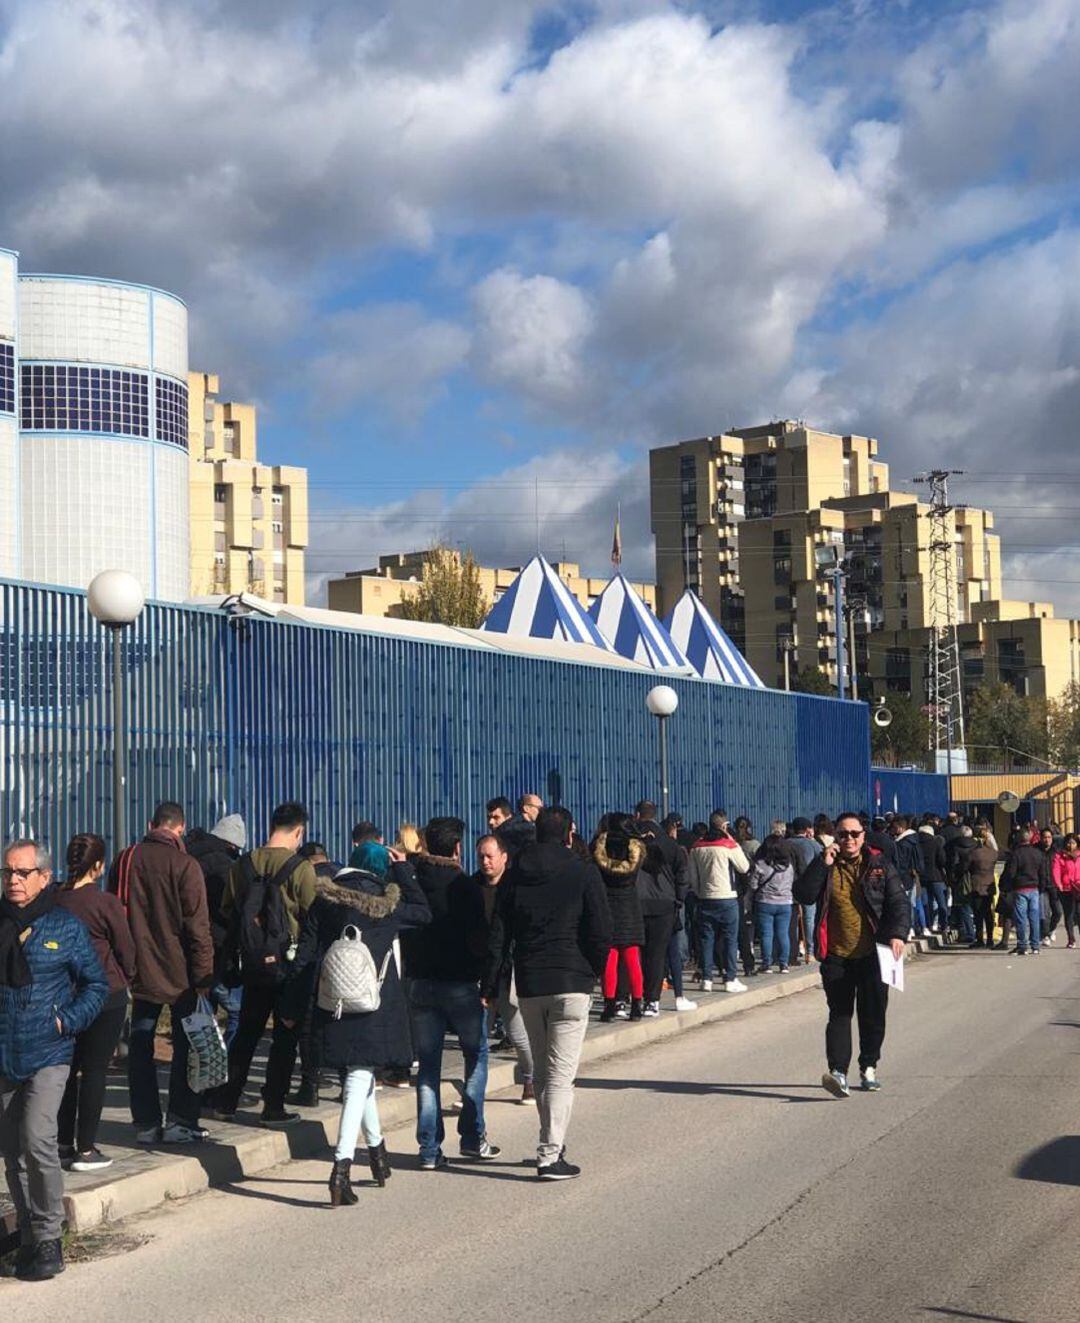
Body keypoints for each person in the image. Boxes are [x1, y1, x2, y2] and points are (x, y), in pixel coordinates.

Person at [284, 843, 431, 1205]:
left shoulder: (324, 901)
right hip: (374, 1005)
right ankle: (341, 1169)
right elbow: (425, 913)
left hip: (333, 1003)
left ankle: (378, 1154)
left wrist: (290, 1003)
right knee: (359, 1077)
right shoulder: (387, 904)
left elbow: (305, 955)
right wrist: (404, 871)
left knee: (358, 1074)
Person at [484, 805, 612, 1181]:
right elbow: (600, 929)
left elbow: (499, 932)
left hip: (530, 981)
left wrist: (491, 983)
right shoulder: (583, 871)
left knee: (541, 1071)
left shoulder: (515, 875)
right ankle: (550, 1154)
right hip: (572, 980)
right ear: (570, 833)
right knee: (561, 1075)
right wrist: (594, 971)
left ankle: (550, 1139)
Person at [0, 839, 107, 1282]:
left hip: (49, 1050)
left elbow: (96, 985)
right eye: (8, 872)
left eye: (23, 873)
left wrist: (67, 1021)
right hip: (5, 1053)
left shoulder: (63, 926)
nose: (13, 880)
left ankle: (49, 1237)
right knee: (12, 1152)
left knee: (38, 1139)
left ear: (44, 877)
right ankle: (27, 1236)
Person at [108, 801, 214, 1144]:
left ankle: (146, 1123)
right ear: (180, 829)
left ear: (151, 823)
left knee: (140, 1044)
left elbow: (114, 914)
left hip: (138, 970)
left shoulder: (125, 860)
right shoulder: (187, 865)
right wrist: (204, 976)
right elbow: (198, 928)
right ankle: (180, 1120)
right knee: (187, 1045)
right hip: (181, 974)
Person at [206, 802, 319, 1125]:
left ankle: (226, 1100)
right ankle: (273, 1105)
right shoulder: (301, 868)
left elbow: (228, 909)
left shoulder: (242, 864)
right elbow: (312, 914)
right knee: (285, 1035)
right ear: (299, 831)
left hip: (252, 963)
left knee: (247, 1033)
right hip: (289, 965)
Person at [400, 816, 498, 1169]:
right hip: (459, 983)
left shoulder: (413, 879)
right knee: (477, 1054)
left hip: (420, 982)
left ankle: (429, 1150)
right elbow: (480, 940)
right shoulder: (465, 887)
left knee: (427, 1068)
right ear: (457, 848)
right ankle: (472, 1135)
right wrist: (485, 981)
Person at [794, 812, 909, 1098]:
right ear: (835, 835)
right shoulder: (825, 864)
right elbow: (804, 894)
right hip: (837, 954)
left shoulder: (878, 864)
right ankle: (838, 1073)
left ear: (863, 836)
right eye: (843, 834)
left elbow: (898, 902)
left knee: (872, 1015)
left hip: (874, 953)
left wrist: (897, 933)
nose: (849, 840)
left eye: (854, 834)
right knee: (840, 1014)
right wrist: (822, 864)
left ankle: (868, 1065)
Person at [55, 834, 136, 1172]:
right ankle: (86, 1149)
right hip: (105, 995)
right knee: (95, 1071)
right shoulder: (105, 903)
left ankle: (61, 1143)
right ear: (100, 865)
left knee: (66, 1071)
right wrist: (128, 976)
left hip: (64, 996)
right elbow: (126, 950)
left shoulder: (54, 899)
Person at [474, 835, 535, 1103]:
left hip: (508, 968)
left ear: (504, 857)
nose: (485, 862)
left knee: (517, 1031)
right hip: (479, 967)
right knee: (476, 1035)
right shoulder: (472, 887)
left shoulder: (516, 887)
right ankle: (473, 1089)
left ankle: (530, 1079)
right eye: (481, 857)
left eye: (490, 856)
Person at [185, 814, 247, 1048]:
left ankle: (203, 1064)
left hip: (192, 945)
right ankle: (226, 1064)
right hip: (219, 948)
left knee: (202, 1014)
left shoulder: (189, 856)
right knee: (237, 1014)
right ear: (232, 844)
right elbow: (230, 909)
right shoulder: (225, 865)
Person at [634, 804, 690, 1015]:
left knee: (635, 953)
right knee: (657, 954)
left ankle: (633, 997)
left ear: (637, 815)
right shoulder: (670, 843)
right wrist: (679, 900)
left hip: (636, 903)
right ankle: (652, 1001)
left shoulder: (630, 841)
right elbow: (682, 875)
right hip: (664, 905)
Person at [687, 811, 750, 993]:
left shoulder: (697, 847)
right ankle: (730, 978)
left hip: (705, 898)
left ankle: (706, 979)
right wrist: (734, 842)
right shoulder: (728, 845)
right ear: (724, 826)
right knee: (730, 939)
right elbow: (744, 867)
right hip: (727, 897)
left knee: (707, 939)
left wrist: (700, 893)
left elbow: (693, 876)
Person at [592, 816, 646, 1021]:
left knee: (610, 960)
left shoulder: (599, 847)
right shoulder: (636, 848)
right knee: (632, 959)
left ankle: (609, 1005)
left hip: (607, 905)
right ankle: (637, 1005)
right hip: (630, 906)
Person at [749, 836, 795, 973]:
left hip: (765, 902)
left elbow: (753, 885)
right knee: (783, 933)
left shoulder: (761, 864)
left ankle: (766, 964)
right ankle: (784, 964)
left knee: (766, 934)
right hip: (785, 903)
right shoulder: (789, 867)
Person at [1001, 825, 1049, 956]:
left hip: (1020, 888)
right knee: (1034, 917)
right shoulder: (1038, 854)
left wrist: (1007, 888)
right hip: (1034, 888)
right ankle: (1035, 945)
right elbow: (1043, 873)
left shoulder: (1016, 854)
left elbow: (1011, 873)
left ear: (1018, 838)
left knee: (1021, 918)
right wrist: (1041, 888)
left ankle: (1022, 945)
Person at [787, 817, 822, 965]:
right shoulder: (813, 844)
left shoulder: (785, 843)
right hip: (809, 886)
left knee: (792, 921)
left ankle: (791, 952)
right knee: (809, 919)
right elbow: (823, 860)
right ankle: (810, 952)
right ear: (808, 829)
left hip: (788, 887)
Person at [960, 828, 1003, 948]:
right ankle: (990, 939)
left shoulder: (974, 853)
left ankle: (979, 939)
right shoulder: (993, 853)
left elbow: (965, 867)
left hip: (977, 884)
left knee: (978, 913)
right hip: (989, 885)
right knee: (989, 913)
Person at [916, 820, 949, 940]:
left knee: (925, 903)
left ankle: (928, 925)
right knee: (941, 903)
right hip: (936, 877)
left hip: (922, 877)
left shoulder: (916, 844)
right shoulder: (936, 843)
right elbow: (942, 860)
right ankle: (944, 925)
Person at [1053, 835, 1080, 949]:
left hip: (1079, 888)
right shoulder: (1060, 856)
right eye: (1069, 843)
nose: (1071, 845)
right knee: (1069, 914)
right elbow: (1056, 870)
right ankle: (1071, 939)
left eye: (1073, 843)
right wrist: (1058, 884)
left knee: (1079, 914)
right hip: (1067, 889)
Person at [1037, 827, 1062, 945]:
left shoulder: (1056, 852)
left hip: (1054, 886)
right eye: (1045, 837)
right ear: (1041, 838)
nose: (1047, 840)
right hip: (1041, 886)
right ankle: (1045, 935)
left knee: (1058, 912)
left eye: (1049, 837)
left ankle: (1051, 930)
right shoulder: (1036, 851)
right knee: (1044, 914)